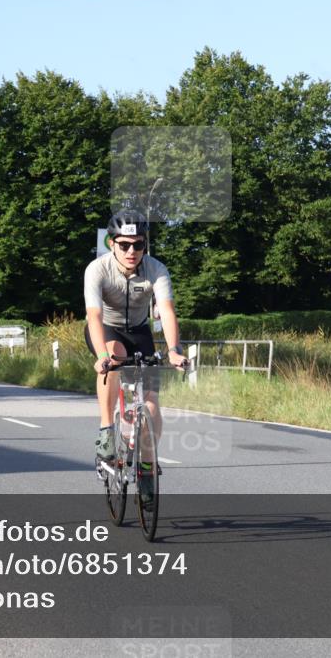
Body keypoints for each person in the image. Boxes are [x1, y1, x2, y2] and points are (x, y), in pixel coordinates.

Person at [84, 210, 188, 503]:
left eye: (138, 244)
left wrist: (174, 351)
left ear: (145, 244)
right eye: (124, 245)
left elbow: (166, 310)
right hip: (107, 329)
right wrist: (101, 355)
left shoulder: (156, 269)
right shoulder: (97, 269)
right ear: (112, 243)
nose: (132, 251)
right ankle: (107, 430)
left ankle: (147, 468)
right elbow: (93, 315)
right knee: (115, 357)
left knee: (151, 404)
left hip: (140, 331)